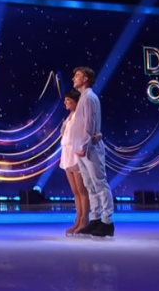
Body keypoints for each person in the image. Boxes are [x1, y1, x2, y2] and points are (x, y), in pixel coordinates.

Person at [71, 66, 115, 238]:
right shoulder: (83, 98)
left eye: (77, 76)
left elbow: (89, 125)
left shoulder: (89, 98)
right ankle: (95, 218)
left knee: (99, 183)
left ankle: (107, 221)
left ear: (86, 79)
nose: (74, 78)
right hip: (82, 148)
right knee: (89, 185)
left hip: (89, 148)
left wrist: (83, 145)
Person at [60, 89, 104, 235]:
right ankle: (78, 220)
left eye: (68, 100)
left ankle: (84, 220)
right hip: (66, 152)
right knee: (75, 191)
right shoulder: (69, 116)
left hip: (76, 151)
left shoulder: (80, 115)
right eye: (65, 100)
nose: (65, 102)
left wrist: (96, 135)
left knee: (81, 189)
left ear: (76, 101)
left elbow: (88, 129)